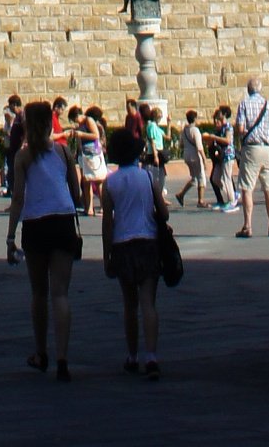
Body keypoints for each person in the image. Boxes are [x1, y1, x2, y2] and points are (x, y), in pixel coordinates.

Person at [6, 100, 80, 383]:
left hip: (36, 224)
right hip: (62, 221)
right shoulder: (63, 152)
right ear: (49, 124)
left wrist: (11, 236)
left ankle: (41, 352)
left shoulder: (23, 157)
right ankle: (62, 359)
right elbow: (74, 192)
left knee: (39, 293)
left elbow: (18, 198)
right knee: (60, 293)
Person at [100, 122, 165, 381]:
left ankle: (132, 356)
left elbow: (107, 222)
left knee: (130, 304)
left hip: (123, 244)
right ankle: (152, 357)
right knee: (149, 301)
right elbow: (164, 211)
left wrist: (107, 255)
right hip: (148, 240)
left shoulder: (110, 182)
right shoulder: (148, 177)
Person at [233, 78, 269, 240]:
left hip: (251, 148)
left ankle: (248, 225)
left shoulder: (244, 104)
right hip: (267, 149)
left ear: (248, 89)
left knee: (247, 188)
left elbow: (239, 128)